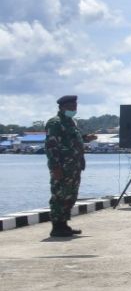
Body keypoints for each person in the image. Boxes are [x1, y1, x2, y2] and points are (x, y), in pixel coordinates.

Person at [45, 95, 91, 237]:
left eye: (75, 107)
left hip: (74, 166)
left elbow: (70, 141)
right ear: (62, 107)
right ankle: (57, 226)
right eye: (71, 107)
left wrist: (85, 139)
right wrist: (55, 167)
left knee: (70, 195)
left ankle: (64, 224)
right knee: (59, 195)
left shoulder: (71, 122)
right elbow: (51, 146)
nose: (73, 109)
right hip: (62, 166)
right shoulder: (55, 123)